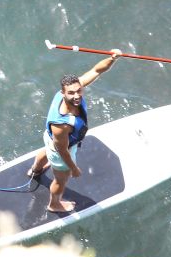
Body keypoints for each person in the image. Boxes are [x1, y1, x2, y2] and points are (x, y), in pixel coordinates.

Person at [27, 49, 122, 212]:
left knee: (46, 150)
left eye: (79, 90)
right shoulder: (62, 124)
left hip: (51, 140)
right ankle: (54, 204)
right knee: (60, 180)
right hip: (60, 148)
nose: (77, 96)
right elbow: (62, 150)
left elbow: (96, 70)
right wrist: (73, 168)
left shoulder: (74, 89)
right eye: (71, 93)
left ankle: (34, 171)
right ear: (63, 93)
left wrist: (112, 59)